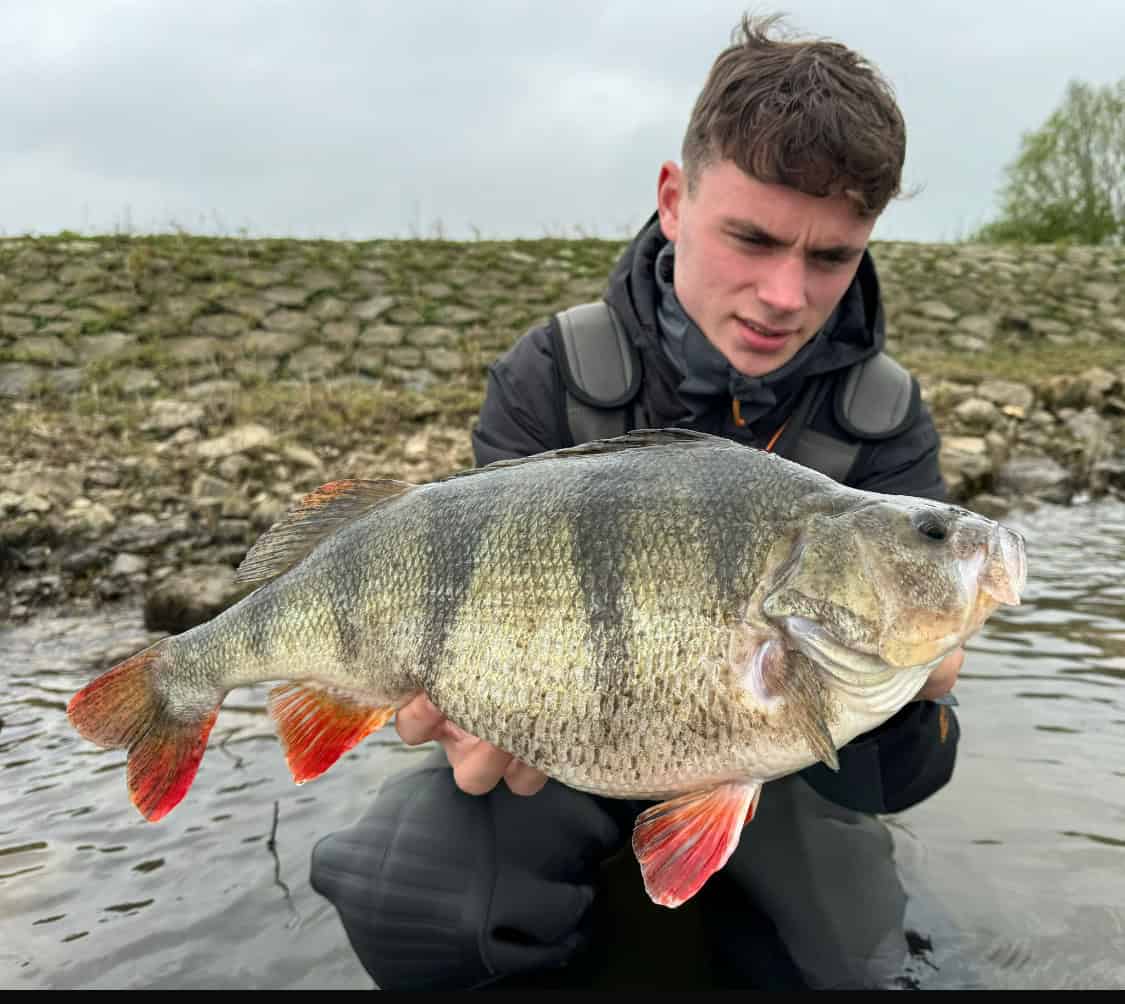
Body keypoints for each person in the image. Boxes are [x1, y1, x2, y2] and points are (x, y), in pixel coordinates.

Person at [311, 13, 963, 990]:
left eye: (831, 257)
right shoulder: (556, 373)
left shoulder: (883, 417)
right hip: (566, 753)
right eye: (752, 236)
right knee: (411, 890)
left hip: (784, 775)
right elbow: (458, 607)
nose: (785, 291)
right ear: (673, 197)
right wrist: (462, 713)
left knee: (850, 968)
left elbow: (902, 776)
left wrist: (915, 691)